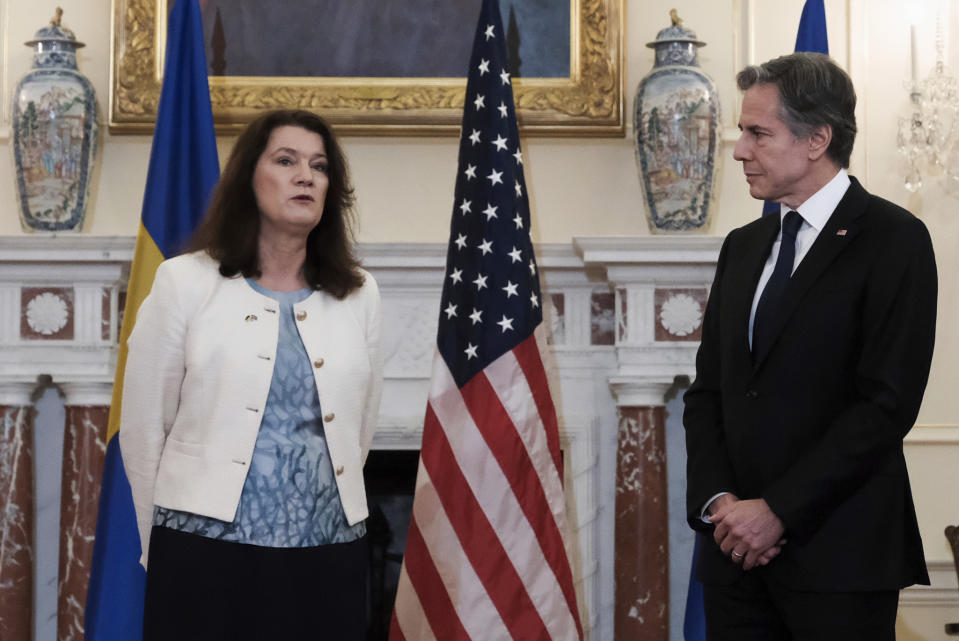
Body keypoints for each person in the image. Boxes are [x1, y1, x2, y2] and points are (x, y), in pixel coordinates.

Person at [684, 52, 937, 640]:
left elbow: (885, 404)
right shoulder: (743, 247)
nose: (740, 150)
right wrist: (722, 505)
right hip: (735, 561)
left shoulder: (894, 239)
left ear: (817, 138)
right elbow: (709, 394)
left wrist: (776, 513)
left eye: (757, 133)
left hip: (840, 560)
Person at [119, 109, 382, 640]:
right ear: (248, 178)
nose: (305, 176)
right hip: (202, 557)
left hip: (331, 556)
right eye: (286, 160)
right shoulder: (183, 282)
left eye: (319, 166)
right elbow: (145, 429)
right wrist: (161, 544)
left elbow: (361, 428)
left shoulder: (359, 293)